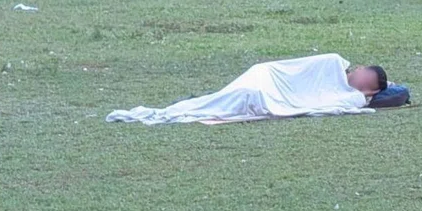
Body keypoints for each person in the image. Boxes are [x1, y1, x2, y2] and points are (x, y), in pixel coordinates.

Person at [107, 53, 388, 126]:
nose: (359, 83)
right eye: (362, 76)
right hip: (268, 77)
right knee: (249, 85)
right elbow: (295, 71)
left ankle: (186, 110)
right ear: (359, 68)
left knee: (249, 98)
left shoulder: (351, 96)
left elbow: (327, 102)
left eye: (366, 86)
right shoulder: (332, 63)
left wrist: (364, 96)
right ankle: (184, 108)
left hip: (273, 97)